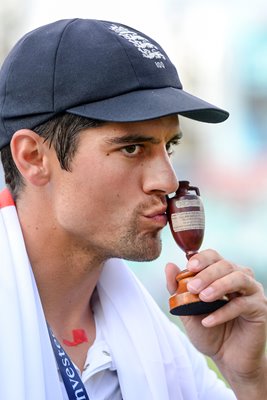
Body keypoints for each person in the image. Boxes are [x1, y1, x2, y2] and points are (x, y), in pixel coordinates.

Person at [0, 18, 266, 400]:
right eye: (131, 148)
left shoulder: (154, 339)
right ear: (33, 158)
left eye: (168, 147)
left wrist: (250, 378)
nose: (169, 181)